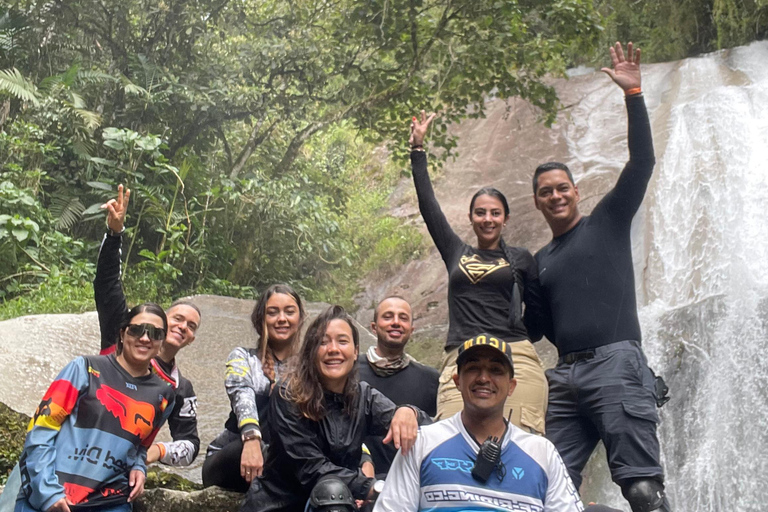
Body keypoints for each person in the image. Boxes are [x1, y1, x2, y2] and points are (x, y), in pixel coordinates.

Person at [530, 42, 670, 512]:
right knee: (547, 490)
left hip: (616, 363)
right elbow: (538, 327)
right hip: (565, 376)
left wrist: (633, 93)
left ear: (575, 191)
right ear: (537, 201)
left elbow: (642, 163)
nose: (555, 196)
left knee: (643, 490)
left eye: (562, 188)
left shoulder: (607, 220)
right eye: (546, 192)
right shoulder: (541, 259)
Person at [408, 112, 549, 434]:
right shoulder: (456, 252)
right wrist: (417, 150)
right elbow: (429, 207)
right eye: (481, 212)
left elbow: (539, 315)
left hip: (515, 356)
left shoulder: (522, 259)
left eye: (495, 213)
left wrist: (514, 332)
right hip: (462, 354)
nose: (488, 219)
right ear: (471, 218)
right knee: (451, 441)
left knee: (523, 444)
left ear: (506, 219)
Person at [241, 305, 431, 512]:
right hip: (283, 503)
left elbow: (430, 430)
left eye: (342, 341)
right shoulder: (288, 395)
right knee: (333, 492)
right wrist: (369, 487)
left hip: (342, 498)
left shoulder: (363, 396)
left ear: (356, 351)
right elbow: (311, 469)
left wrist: (408, 412)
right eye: (323, 342)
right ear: (311, 352)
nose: (333, 349)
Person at [374, 334, 583, 512]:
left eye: (496, 370)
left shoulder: (542, 453)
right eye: (473, 368)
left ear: (511, 386)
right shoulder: (421, 443)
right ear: (457, 381)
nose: (484, 378)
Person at [15, 304, 176, 512]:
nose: (145, 338)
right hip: (51, 497)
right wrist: (48, 493)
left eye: (155, 333)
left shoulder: (164, 395)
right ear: (122, 333)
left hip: (110, 502)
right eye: (137, 329)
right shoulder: (85, 368)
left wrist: (138, 466)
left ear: (162, 341)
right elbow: (41, 429)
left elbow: (139, 445)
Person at [95, 185, 201, 468]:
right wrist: (114, 235)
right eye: (178, 319)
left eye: (192, 327)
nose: (183, 327)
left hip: (117, 466)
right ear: (163, 320)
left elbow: (191, 445)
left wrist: (153, 453)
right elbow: (107, 286)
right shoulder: (122, 337)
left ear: (191, 339)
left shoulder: (180, 388)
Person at [203, 284, 306, 492]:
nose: (282, 319)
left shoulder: (310, 367)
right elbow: (242, 395)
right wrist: (251, 438)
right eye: (272, 312)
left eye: (289, 312)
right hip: (233, 456)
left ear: (300, 319)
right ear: (261, 320)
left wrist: (364, 455)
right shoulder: (243, 357)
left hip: (283, 455)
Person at [357, 296, 439, 477]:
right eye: (388, 316)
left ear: (411, 329)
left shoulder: (430, 379)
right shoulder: (350, 371)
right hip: (355, 484)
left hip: (410, 482)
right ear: (373, 327)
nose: (396, 322)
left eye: (403, 318)